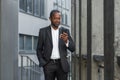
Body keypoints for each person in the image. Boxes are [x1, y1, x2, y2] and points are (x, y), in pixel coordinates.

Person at [36, 9, 75, 80]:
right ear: (50, 18)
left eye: (59, 18)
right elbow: (39, 49)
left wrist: (66, 41)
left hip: (62, 64)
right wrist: (43, 62)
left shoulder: (65, 31)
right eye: (55, 18)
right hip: (48, 65)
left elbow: (73, 49)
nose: (57, 20)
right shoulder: (43, 31)